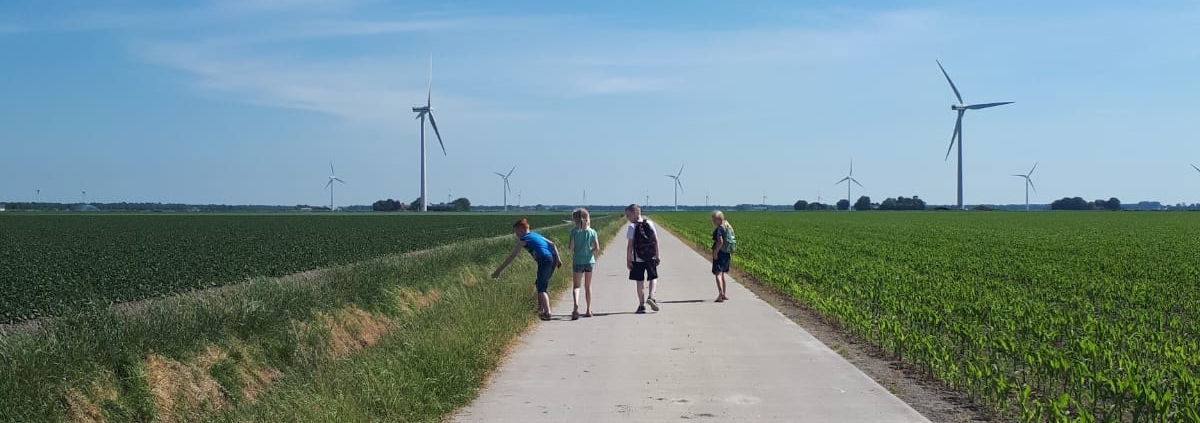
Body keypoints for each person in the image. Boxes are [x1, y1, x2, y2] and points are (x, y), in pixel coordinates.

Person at [492, 218, 563, 321]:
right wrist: (558, 259)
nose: (516, 235)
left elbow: (512, 256)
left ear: (521, 229)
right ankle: (540, 309)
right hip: (552, 258)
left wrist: (499, 270)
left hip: (544, 259)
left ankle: (547, 313)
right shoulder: (536, 235)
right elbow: (552, 244)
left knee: (541, 288)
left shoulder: (524, 239)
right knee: (539, 283)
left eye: (516, 232)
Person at [624, 204, 660, 314]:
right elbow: (656, 240)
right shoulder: (649, 223)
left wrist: (628, 260)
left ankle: (641, 305)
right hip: (650, 257)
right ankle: (651, 296)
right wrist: (657, 255)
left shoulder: (632, 227)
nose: (627, 217)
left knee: (639, 282)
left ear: (634, 213)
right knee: (653, 277)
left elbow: (630, 245)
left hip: (637, 259)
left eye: (628, 215)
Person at [567, 208, 600, 320]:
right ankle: (588, 309)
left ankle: (576, 306)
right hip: (589, 261)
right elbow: (597, 248)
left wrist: (577, 248)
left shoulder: (574, 232)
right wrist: (590, 249)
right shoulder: (592, 232)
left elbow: (570, 248)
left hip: (577, 261)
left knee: (577, 286)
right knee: (588, 286)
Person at [710, 210, 736, 302]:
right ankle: (724, 294)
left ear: (718, 219)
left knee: (718, 274)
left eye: (714, 219)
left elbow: (720, 241)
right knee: (722, 274)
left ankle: (721, 294)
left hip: (720, 253)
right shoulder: (727, 227)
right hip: (727, 254)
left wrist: (715, 252)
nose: (712, 221)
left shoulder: (719, 229)